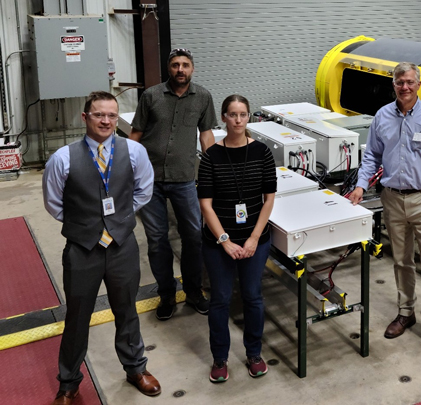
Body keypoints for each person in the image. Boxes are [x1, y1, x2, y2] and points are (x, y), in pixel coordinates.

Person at [43, 91, 161, 404]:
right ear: (86, 117)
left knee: (127, 310)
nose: (106, 121)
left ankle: (135, 368)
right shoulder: (62, 158)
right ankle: (68, 382)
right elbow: (54, 203)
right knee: (77, 316)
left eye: (111, 115)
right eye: (99, 114)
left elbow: (144, 191)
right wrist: (86, 225)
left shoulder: (134, 151)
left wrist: (118, 219)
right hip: (82, 250)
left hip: (122, 246)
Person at [348, 62, 421, 355]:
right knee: (401, 261)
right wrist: (361, 185)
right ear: (393, 85)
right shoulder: (382, 116)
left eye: (410, 82)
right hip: (393, 199)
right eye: (400, 82)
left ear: (418, 84)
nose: (405, 87)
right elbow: (371, 155)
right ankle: (406, 312)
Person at [130, 48, 217, 320]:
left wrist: (214, 171)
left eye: (185, 65)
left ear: (192, 69)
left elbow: (206, 135)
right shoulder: (151, 96)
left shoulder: (203, 96)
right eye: (176, 65)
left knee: (193, 235)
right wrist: (125, 169)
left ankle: (193, 291)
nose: (181, 69)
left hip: (184, 179)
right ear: (169, 68)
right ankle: (166, 294)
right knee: (157, 239)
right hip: (149, 179)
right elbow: (136, 134)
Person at [198, 95, 277, 382]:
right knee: (220, 299)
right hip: (219, 243)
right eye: (232, 114)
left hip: (255, 240)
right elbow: (205, 204)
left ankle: (254, 353)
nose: (238, 120)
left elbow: (269, 199)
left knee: (252, 296)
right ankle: (219, 358)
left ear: (248, 117)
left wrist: (254, 238)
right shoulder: (211, 156)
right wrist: (224, 240)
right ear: (223, 118)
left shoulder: (262, 152)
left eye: (243, 114)